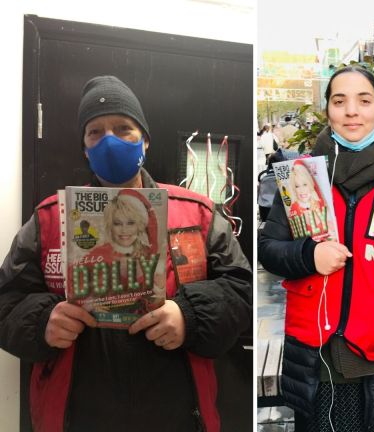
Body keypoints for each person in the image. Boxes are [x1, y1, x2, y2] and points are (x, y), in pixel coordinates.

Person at [0, 75, 252, 432]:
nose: (109, 141)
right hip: (78, 414)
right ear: (85, 148)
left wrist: (189, 316)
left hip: (177, 412)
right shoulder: (48, 218)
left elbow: (241, 289)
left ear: (144, 141)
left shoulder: (198, 213)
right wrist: (42, 322)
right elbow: (6, 302)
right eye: (95, 133)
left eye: (123, 128)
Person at [258, 65, 374, 431]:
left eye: (364, 100)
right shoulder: (300, 177)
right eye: (339, 101)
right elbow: (268, 248)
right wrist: (308, 256)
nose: (351, 111)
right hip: (316, 352)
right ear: (327, 109)